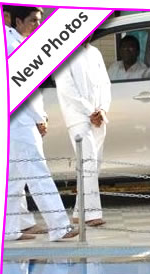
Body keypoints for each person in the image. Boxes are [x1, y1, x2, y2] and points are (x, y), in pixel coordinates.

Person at [5, 6, 78, 242]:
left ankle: (9, 229)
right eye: (33, 21)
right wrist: (39, 118)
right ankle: (59, 226)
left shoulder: (19, 42)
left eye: (40, 21)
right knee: (38, 173)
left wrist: (41, 115)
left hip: (23, 119)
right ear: (16, 21)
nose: (38, 26)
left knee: (14, 179)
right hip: (20, 122)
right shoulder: (10, 44)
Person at [54, 36, 111, 227]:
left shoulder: (95, 52)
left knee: (94, 163)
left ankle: (79, 211)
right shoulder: (64, 51)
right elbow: (66, 88)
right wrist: (90, 111)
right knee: (88, 160)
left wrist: (102, 109)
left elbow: (105, 84)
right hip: (78, 117)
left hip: (98, 117)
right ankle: (92, 214)